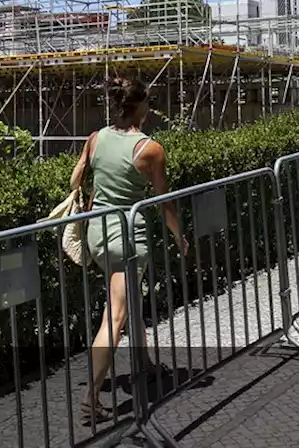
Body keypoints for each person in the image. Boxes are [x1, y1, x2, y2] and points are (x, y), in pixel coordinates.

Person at [69, 75, 188, 425]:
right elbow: (165, 204)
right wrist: (179, 237)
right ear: (140, 107)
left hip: (97, 235)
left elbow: (76, 180)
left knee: (128, 299)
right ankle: (91, 399)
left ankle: (145, 363)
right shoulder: (150, 149)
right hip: (127, 238)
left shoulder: (96, 138)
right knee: (115, 317)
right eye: (148, 102)